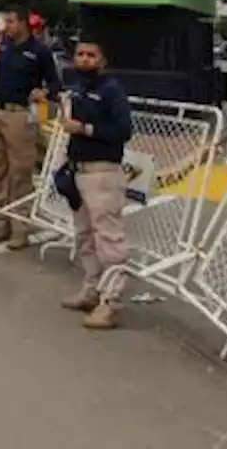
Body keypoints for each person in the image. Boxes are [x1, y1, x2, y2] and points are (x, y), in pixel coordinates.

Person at [58, 39, 133, 329]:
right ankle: (91, 290)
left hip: (103, 172)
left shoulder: (111, 90)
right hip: (78, 171)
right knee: (85, 235)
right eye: (80, 54)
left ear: (102, 61)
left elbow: (123, 130)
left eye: (92, 55)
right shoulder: (77, 89)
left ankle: (111, 301)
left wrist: (86, 129)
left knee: (109, 239)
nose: (85, 59)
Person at [0, 6, 61, 249]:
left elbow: (55, 83)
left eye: (11, 21)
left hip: (18, 115)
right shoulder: (5, 45)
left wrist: (44, 93)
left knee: (20, 173)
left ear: (24, 23)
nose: (7, 26)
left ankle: (20, 227)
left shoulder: (40, 52)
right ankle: (2, 219)